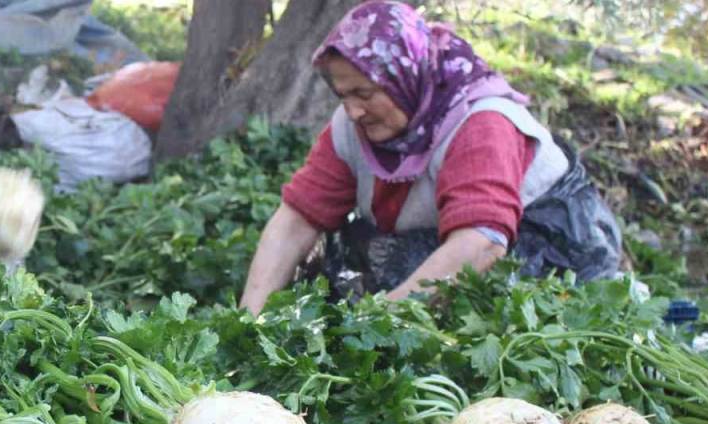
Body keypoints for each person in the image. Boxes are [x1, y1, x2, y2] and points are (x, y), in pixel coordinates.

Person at [240, 1, 622, 314]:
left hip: (550, 253)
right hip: (444, 242)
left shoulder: (480, 122)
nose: (353, 110)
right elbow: (296, 221)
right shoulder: (352, 126)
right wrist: (249, 321)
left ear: (403, 78)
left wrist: (383, 320)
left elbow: (481, 242)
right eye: (343, 95)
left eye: (365, 93)